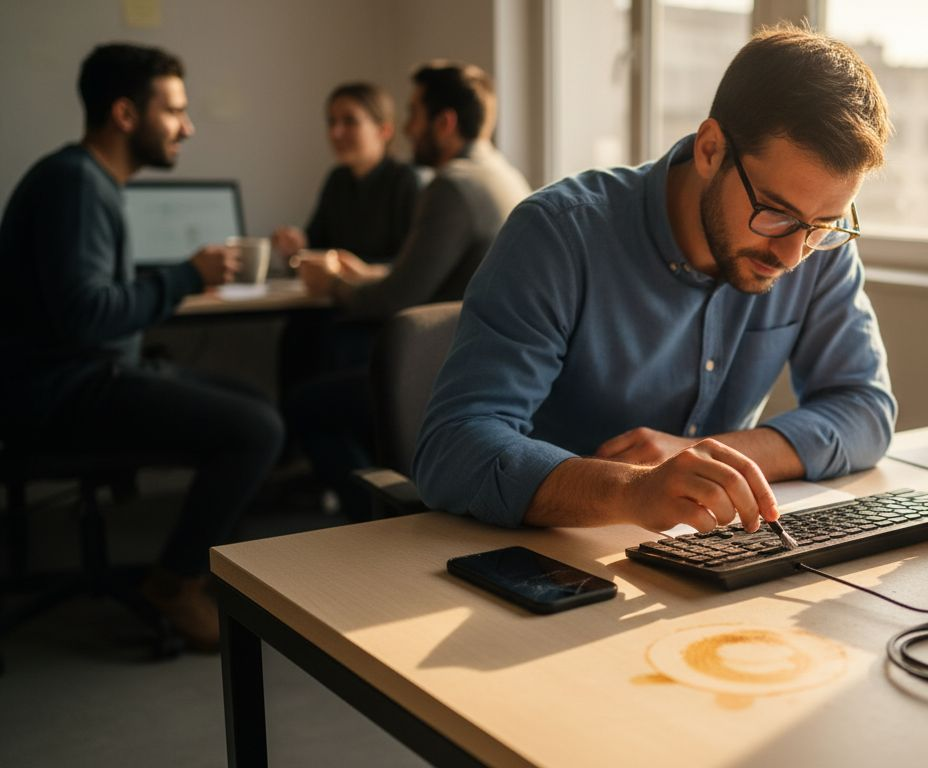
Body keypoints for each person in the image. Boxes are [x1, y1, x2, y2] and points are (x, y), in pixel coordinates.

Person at [412, 25, 895, 535]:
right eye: (774, 213)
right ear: (711, 150)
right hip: (545, 557)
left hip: (700, 556)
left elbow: (866, 409)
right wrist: (631, 490)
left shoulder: (815, 242)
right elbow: (454, 445)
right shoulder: (559, 235)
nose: (794, 255)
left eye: (822, 225)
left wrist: (701, 458)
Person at [0, 44, 284, 651]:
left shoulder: (85, 180)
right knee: (255, 429)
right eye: (175, 110)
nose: (189, 126)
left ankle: (187, 572)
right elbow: (87, 316)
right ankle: (176, 584)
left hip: (82, 378)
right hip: (60, 395)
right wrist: (186, 275)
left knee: (254, 403)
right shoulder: (77, 185)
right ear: (126, 115)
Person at [286, 61, 531, 520]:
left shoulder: (451, 186)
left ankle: (375, 526)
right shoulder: (503, 175)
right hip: (503, 368)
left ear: (445, 122)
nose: (405, 127)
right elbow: (429, 278)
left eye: (413, 113)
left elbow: (396, 302)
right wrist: (367, 274)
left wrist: (335, 284)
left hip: (449, 373)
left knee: (305, 403)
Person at [271, 82, 420, 265]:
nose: (336, 133)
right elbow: (315, 242)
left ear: (384, 130)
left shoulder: (405, 180)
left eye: (350, 121)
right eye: (331, 122)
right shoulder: (337, 179)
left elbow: (410, 264)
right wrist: (297, 243)